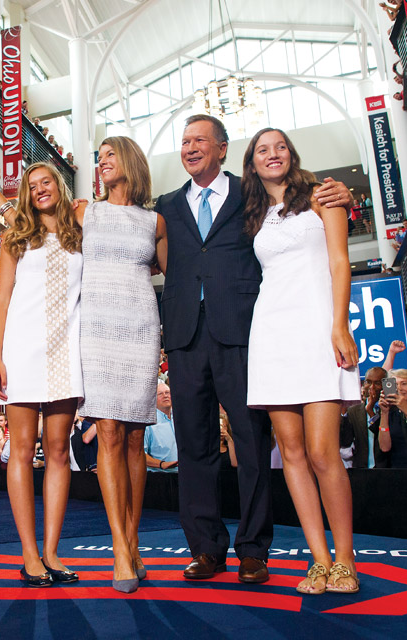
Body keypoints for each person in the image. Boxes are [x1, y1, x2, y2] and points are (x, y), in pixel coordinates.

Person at [153, 114, 351, 586]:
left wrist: (345, 194)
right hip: (184, 336)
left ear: (223, 149)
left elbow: (316, 216)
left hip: (244, 332)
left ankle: (253, 550)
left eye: (201, 140)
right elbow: (161, 257)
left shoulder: (252, 193)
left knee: (253, 443)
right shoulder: (165, 205)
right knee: (194, 446)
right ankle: (205, 548)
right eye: (184, 141)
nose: (190, 147)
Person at [242, 127, 360, 594]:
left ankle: (346, 560)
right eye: (262, 150)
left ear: (291, 154)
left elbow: (339, 263)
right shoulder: (253, 213)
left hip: (317, 329)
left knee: (321, 451)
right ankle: (319, 560)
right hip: (271, 333)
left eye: (280, 147)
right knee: (289, 452)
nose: (273, 155)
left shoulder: (323, 195)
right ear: (252, 163)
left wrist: (340, 324)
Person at [0, 160, 84, 588]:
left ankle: (52, 552)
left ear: (59, 187)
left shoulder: (80, 228)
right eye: (33, 186)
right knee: (23, 451)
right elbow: (2, 302)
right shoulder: (15, 238)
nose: (41, 189)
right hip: (23, 351)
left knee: (59, 452)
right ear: (25, 195)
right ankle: (28, 555)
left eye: (48, 182)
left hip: (67, 350)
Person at [78, 136, 167, 593]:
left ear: (130, 160)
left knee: (135, 441)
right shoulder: (84, 211)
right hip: (94, 330)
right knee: (109, 434)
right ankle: (119, 548)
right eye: (99, 158)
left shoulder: (155, 221)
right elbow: (33, 219)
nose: (103, 162)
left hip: (138, 327)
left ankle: (133, 541)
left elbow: (178, 275)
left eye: (110, 154)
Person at [341, 367, 385, 469]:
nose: (371, 387)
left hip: (387, 470)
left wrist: (371, 410)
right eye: (368, 382)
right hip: (361, 470)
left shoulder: (391, 410)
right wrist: (343, 412)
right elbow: (346, 441)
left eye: (377, 383)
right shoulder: (353, 411)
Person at [145, 383, 178, 472]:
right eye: (160, 394)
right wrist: (161, 464)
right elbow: (139, 454)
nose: (165, 396)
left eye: (167, 393)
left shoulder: (180, 419)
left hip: (183, 475)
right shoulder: (148, 423)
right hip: (159, 476)